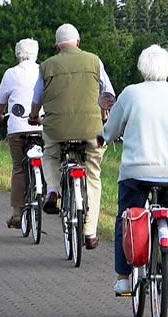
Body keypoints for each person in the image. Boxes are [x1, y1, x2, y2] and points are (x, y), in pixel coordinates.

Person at [101, 45, 168, 295]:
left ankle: (124, 277)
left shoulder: (130, 94)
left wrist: (104, 136)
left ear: (141, 68)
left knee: (126, 215)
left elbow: (111, 130)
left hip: (136, 171)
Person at [28, 23, 115, 250]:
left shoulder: (46, 66)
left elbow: (37, 96)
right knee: (93, 175)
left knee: (50, 154)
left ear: (57, 46)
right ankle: (90, 232)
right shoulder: (95, 61)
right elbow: (108, 92)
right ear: (78, 42)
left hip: (56, 128)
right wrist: (104, 115)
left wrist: (34, 115)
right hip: (91, 129)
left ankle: (53, 190)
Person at [0, 38, 44, 229]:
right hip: (41, 125)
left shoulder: (10, 73)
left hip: (17, 127)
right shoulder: (44, 70)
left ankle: (17, 212)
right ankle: (49, 192)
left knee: (18, 168)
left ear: (17, 54)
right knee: (49, 162)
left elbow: (1, 101)